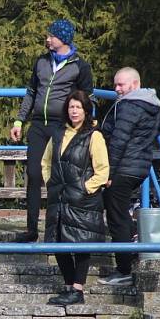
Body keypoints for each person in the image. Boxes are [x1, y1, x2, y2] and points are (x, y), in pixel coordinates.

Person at [10, 19, 93, 242]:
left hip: (62, 127)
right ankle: (30, 230)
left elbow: (86, 100)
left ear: (63, 39)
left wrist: (83, 128)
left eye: (51, 36)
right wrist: (19, 121)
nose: (47, 39)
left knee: (57, 179)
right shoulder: (41, 61)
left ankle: (55, 230)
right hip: (38, 125)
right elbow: (31, 92)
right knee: (34, 175)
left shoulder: (80, 66)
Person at [97, 67, 160, 287]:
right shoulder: (152, 104)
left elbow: (118, 142)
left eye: (121, 85)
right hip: (139, 167)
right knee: (121, 215)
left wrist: (107, 172)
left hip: (122, 168)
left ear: (134, 85)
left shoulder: (128, 106)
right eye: (115, 85)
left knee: (117, 219)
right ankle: (131, 249)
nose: (116, 89)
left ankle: (124, 270)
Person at [42, 90, 109, 305]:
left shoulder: (94, 135)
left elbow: (102, 171)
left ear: (86, 110)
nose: (74, 111)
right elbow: (46, 162)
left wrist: (85, 188)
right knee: (58, 243)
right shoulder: (57, 133)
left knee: (81, 244)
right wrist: (51, 183)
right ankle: (69, 286)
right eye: (71, 107)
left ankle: (78, 290)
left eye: (78, 107)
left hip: (83, 201)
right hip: (59, 199)